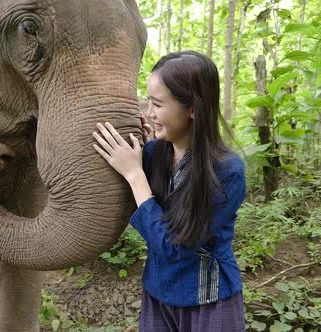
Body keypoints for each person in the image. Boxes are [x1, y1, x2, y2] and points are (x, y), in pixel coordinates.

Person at [92, 50, 246, 331]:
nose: (149, 113)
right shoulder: (155, 154)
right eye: (148, 101)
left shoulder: (227, 171)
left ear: (194, 108)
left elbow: (174, 248)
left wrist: (135, 174)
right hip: (158, 296)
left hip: (208, 302)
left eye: (158, 104)